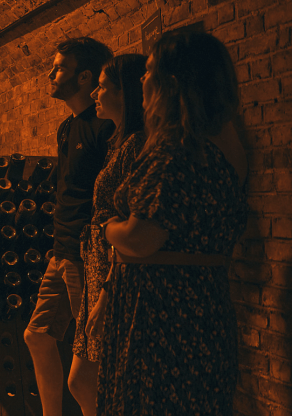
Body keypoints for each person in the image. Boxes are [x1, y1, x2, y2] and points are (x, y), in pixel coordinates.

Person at [97, 30, 247, 415]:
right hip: (203, 308)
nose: (142, 80)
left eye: (149, 71)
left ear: (172, 84)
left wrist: (108, 228)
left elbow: (141, 238)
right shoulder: (224, 142)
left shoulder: (176, 149)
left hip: (162, 317)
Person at [23, 37, 114, 416]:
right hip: (60, 252)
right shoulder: (66, 128)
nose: (51, 74)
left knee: (92, 355)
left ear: (85, 77)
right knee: (37, 336)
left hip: (85, 255)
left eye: (60, 67)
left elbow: (109, 197)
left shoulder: (104, 128)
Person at [68, 53, 147, 414]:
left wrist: (107, 291)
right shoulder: (119, 142)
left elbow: (131, 222)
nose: (94, 94)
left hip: (112, 272)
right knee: (84, 379)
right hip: (99, 267)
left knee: (91, 380)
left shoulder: (136, 145)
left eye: (101, 87)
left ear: (124, 93)